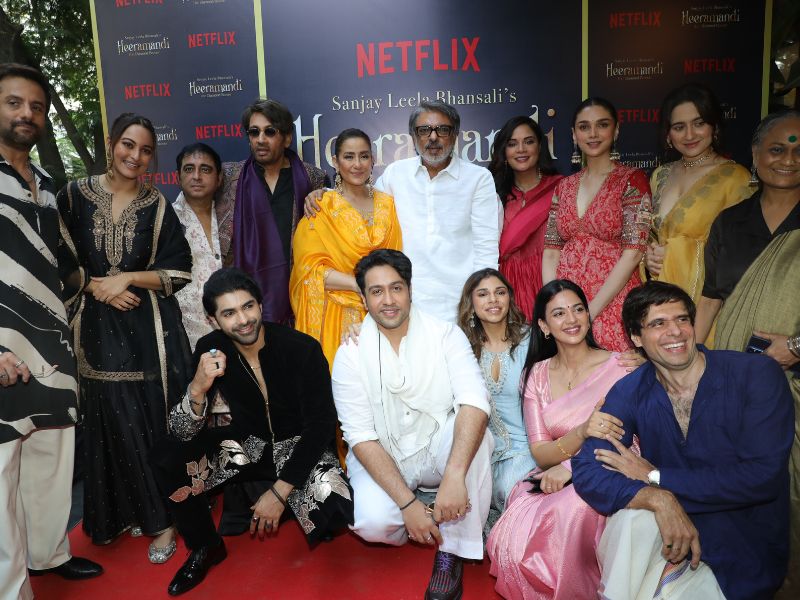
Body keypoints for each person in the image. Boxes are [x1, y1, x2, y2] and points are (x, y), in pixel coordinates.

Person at [572, 281, 793, 600]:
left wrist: (657, 477)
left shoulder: (755, 375)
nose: (675, 331)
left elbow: (762, 478)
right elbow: (588, 467)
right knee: (632, 516)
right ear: (636, 338)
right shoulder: (631, 391)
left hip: (741, 542)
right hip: (669, 533)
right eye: (658, 323)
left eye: (682, 319)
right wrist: (658, 499)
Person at [151, 268, 353, 596]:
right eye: (229, 313)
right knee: (167, 456)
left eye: (248, 307)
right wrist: (198, 387)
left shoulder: (301, 348)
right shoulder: (210, 350)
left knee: (336, 505)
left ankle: (293, 505)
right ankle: (205, 546)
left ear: (260, 305)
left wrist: (279, 493)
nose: (243, 320)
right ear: (214, 319)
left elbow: (320, 426)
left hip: (297, 445)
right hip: (247, 446)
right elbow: (181, 432)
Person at [58, 113, 193, 562]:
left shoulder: (157, 206)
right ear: (111, 142)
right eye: (128, 145)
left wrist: (128, 278)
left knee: (143, 422)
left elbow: (179, 269)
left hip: (145, 335)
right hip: (94, 331)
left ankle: (162, 521)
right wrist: (97, 286)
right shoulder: (73, 196)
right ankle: (117, 513)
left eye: (146, 150)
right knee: (107, 422)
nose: (135, 156)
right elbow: (57, 259)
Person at [331, 249, 493, 600]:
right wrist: (407, 506)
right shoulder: (350, 354)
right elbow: (360, 437)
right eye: (377, 291)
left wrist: (455, 475)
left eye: (396, 288)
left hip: (435, 447)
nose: (388, 300)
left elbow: (475, 400)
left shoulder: (444, 335)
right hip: (385, 454)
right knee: (372, 524)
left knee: (479, 436)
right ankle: (420, 508)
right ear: (364, 299)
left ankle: (452, 550)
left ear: (409, 290)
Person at [0, 62, 102, 599]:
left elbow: (62, 265)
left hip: (51, 347)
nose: (27, 114)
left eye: (36, 107)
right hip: (4, 351)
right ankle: (12, 588)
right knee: (1, 477)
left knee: (51, 462)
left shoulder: (43, 185)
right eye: (14, 103)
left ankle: (47, 555)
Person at [695, 109, 800, 598]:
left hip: (794, 387)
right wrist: (691, 364)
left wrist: (794, 347)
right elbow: (709, 300)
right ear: (755, 156)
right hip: (735, 380)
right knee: (736, 482)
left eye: (798, 150)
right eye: (777, 148)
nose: (788, 159)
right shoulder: (731, 222)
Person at [486, 279, 632, 600]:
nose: (571, 319)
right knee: (515, 532)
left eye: (578, 309)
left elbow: (629, 442)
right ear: (544, 326)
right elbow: (541, 453)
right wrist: (582, 431)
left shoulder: (620, 366)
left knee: (572, 510)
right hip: (550, 474)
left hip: (607, 469)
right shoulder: (536, 375)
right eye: (559, 313)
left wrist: (572, 467)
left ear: (588, 315)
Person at [307, 100, 500, 322]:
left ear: (455, 134)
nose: (433, 137)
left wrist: (481, 298)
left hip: (460, 303)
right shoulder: (396, 173)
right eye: (424, 130)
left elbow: (486, 247)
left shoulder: (478, 178)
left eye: (442, 129)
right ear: (413, 136)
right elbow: (363, 203)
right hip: (405, 304)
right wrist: (326, 194)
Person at [542, 97, 651, 352]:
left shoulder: (631, 180)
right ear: (573, 134)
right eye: (584, 127)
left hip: (614, 301)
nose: (593, 134)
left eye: (602, 125)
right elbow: (551, 251)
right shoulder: (564, 186)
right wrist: (554, 304)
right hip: (569, 305)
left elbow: (633, 253)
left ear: (616, 130)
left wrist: (589, 312)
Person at [290, 128, 402, 368]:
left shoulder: (388, 205)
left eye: (364, 156)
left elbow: (397, 262)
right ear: (335, 161)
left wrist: (375, 291)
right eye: (349, 157)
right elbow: (308, 270)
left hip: (384, 310)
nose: (357, 164)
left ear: (373, 160)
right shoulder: (321, 207)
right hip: (335, 314)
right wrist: (359, 285)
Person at [216, 99, 328, 324]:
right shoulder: (229, 177)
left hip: (299, 296)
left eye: (270, 132)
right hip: (243, 298)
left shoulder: (313, 178)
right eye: (254, 132)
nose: (260, 139)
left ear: (287, 138)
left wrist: (326, 193)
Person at [642, 83, 751, 308]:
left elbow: (741, 253)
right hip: (660, 299)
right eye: (679, 127)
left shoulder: (736, 178)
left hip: (708, 303)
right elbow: (649, 235)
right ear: (668, 134)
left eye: (699, 123)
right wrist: (647, 257)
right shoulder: (660, 175)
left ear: (714, 126)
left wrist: (675, 254)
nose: (689, 134)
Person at [456, 268, 534, 516]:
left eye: (500, 292)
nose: (493, 300)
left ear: (509, 298)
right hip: (482, 457)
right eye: (483, 294)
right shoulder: (462, 349)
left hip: (531, 452)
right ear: (471, 303)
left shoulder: (533, 340)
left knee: (515, 492)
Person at [489, 116, 562, 320]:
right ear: (504, 151)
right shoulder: (491, 192)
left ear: (540, 147)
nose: (521, 149)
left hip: (548, 280)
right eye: (512, 144)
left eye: (528, 142)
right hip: (505, 288)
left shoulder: (561, 188)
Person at [173, 142, 223, 350]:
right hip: (184, 332)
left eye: (205, 169)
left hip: (233, 329)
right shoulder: (165, 220)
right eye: (188, 169)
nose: (196, 176)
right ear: (178, 177)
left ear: (219, 178)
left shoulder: (232, 216)